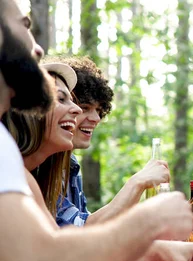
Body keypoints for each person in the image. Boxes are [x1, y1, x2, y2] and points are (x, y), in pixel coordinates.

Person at [0, 1, 193, 261]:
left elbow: (62, 258)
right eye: (26, 26)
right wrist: (149, 221)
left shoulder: (23, 173)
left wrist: (154, 250)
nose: (39, 48)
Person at [41, 55, 169, 226]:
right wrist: (137, 183)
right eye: (85, 108)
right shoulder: (38, 165)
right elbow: (83, 231)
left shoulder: (70, 163)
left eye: (99, 111)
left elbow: (91, 232)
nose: (96, 118)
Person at [4, 62, 82, 217]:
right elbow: (49, 241)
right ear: (28, 111)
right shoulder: (7, 171)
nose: (77, 110)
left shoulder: (29, 179)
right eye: (60, 99)